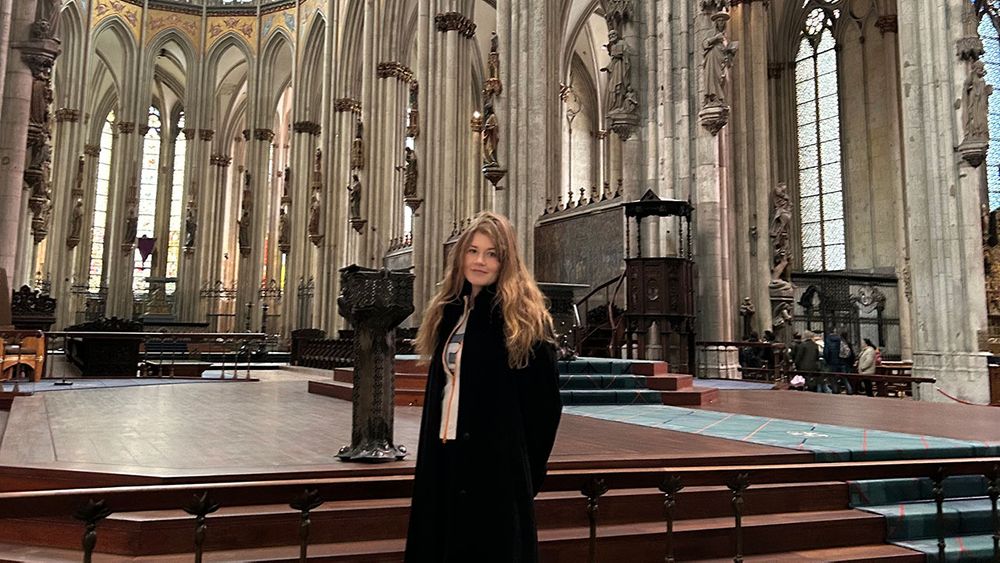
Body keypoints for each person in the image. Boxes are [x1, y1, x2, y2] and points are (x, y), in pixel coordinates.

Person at [405, 211, 562, 563]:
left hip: (495, 468)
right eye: (473, 251)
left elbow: (545, 407)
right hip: (444, 457)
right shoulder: (447, 312)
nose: (480, 261)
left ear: (506, 261)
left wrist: (524, 472)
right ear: (460, 255)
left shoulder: (522, 320)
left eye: (491, 253)